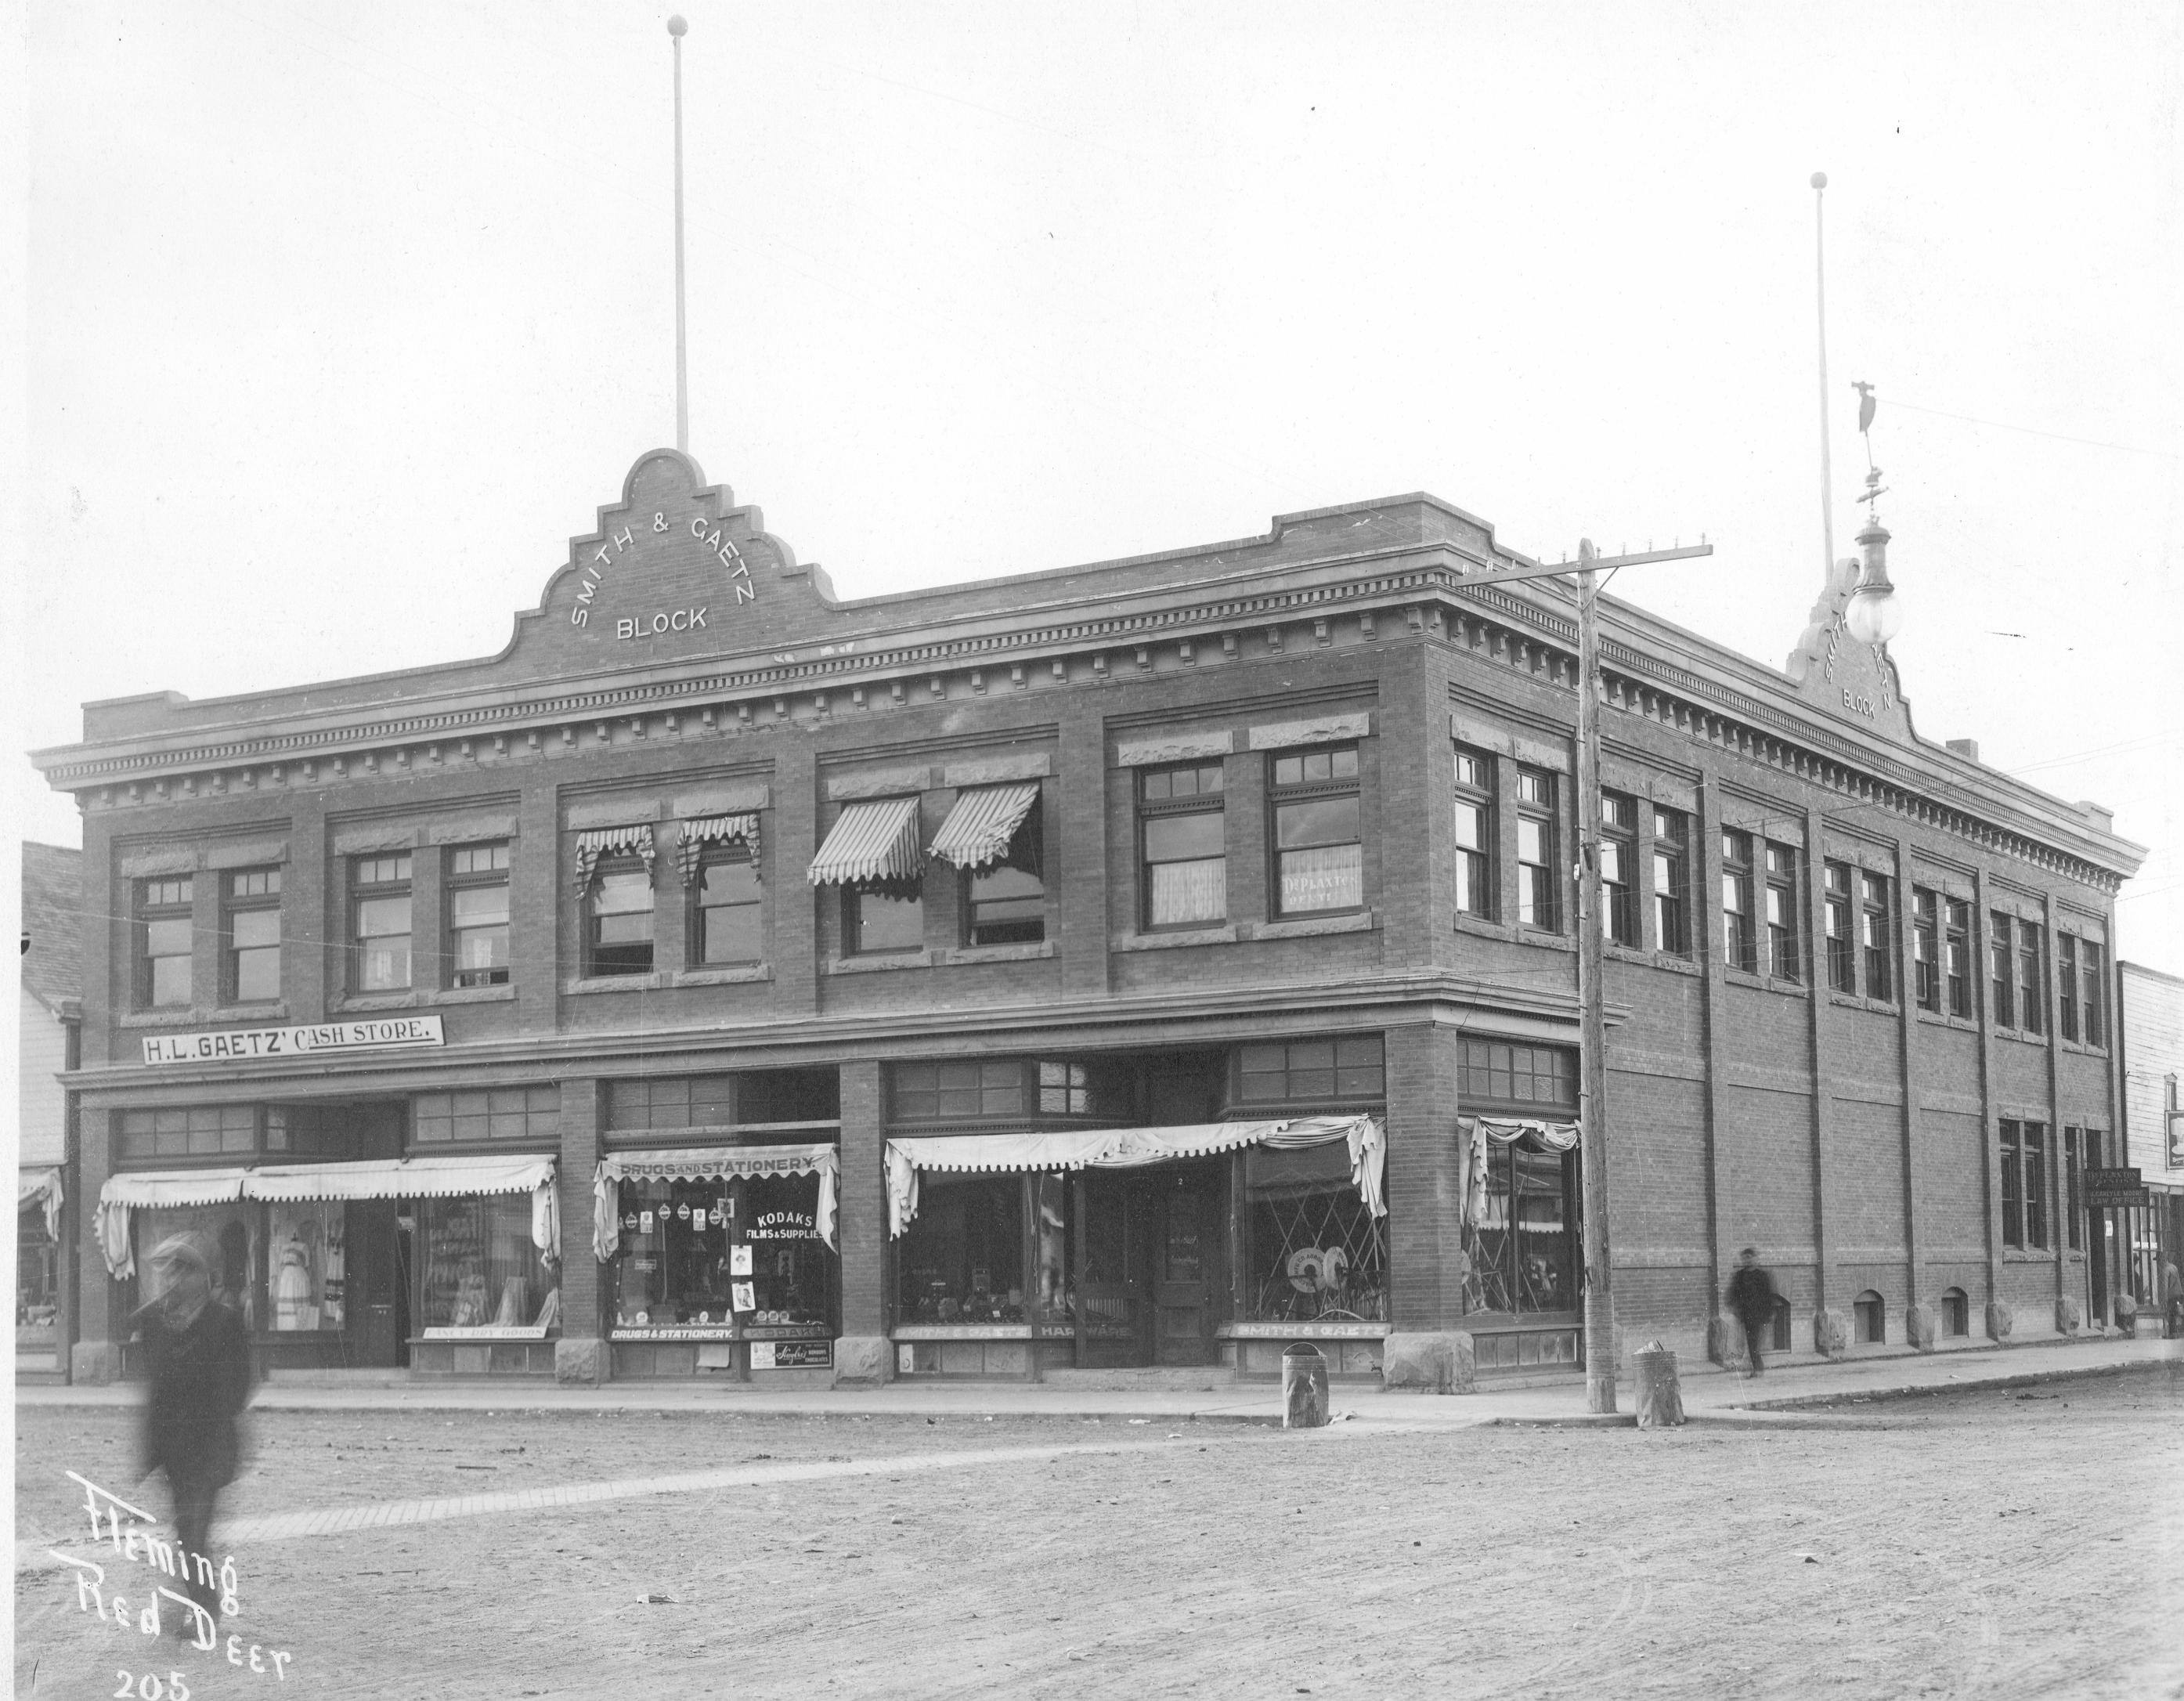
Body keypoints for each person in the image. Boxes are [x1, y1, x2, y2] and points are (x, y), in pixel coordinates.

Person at [135, 1233, 253, 1635]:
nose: (172, 1281)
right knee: (187, 1532)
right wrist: (149, 1451)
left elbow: (240, 1388)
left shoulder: (226, 1322)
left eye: (182, 1272)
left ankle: (203, 1612)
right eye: (168, 1272)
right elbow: (154, 1392)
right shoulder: (156, 1323)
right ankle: (199, 1605)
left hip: (210, 1449)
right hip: (174, 1452)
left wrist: (207, 1412)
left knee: (192, 1531)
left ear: (203, 1277)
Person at [1725, 1247, 1779, 1377]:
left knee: (1754, 1343)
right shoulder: (1740, 1276)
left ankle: (1758, 1369)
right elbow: (1733, 1293)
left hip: (1759, 1316)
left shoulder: (1762, 1276)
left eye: (1750, 1258)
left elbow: (1770, 1295)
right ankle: (1758, 1368)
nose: (1747, 1260)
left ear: (1755, 1258)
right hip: (1745, 1315)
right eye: (1745, 1258)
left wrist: (1771, 1313)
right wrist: (1733, 1306)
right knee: (1751, 1343)